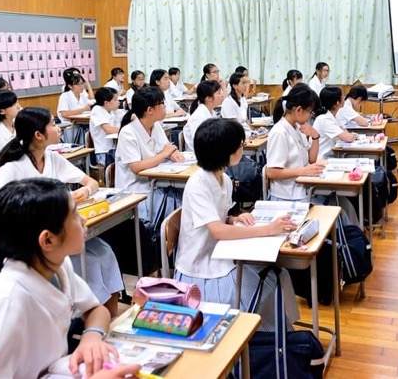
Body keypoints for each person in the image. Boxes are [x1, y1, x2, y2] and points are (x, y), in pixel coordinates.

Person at [0, 178, 139, 378]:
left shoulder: (56, 265)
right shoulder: (5, 303)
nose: (83, 219)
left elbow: (95, 309)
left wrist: (91, 337)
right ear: (48, 239)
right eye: (75, 214)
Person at [0, 107, 123, 316]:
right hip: (39, 241)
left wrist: (86, 190)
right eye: (53, 124)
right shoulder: (13, 168)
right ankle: (80, 315)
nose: (58, 128)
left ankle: (108, 316)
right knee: (92, 260)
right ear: (38, 135)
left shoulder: (52, 158)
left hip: (61, 229)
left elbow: (90, 181)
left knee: (106, 252)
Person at [174, 118, 298, 331]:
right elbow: (217, 231)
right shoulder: (198, 183)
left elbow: (219, 220)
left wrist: (234, 219)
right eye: (240, 145)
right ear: (225, 152)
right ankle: (264, 343)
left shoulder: (224, 179)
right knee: (267, 286)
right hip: (203, 270)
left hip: (221, 256)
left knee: (278, 275)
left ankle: (278, 338)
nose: (243, 147)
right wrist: (269, 229)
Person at [115, 88, 185, 220]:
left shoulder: (156, 126)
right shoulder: (128, 132)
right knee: (180, 205)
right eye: (162, 104)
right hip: (138, 190)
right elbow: (136, 167)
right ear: (150, 110)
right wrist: (165, 154)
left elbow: (167, 147)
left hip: (157, 183)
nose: (165, 107)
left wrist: (173, 152)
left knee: (187, 194)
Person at [265, 85, 324, 201]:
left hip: (301, 189)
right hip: (287, 196)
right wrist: (304, 171)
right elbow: (271, 172)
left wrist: (315, 137)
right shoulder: (279, 132)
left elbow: (311, 160)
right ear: (299, 110)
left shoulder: (298, 128)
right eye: (310, 112)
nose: (309, 117)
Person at [313, 86, 357, 160]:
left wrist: (352, 136)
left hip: (332, 155)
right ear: (337, 103)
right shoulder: (324, 119)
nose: (344, 98)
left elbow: (345, 132)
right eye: (342, 96)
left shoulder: (333, 115)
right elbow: (349, 137)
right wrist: (354, 136)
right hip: (323, 159)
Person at [183, 80, 224, 155]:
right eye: (219, 92)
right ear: (208, 98)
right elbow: (201, 143)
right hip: (201, 156)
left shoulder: (211, 112)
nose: (222, 95)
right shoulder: (198, 117)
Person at [89, 87, 119, 167]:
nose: (118, 102)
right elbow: (108, 130)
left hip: (112, 149)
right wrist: (125, 129)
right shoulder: (97, 110)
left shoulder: (111, 111)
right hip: (103, 151)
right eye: (115, 100)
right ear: (106, 103)